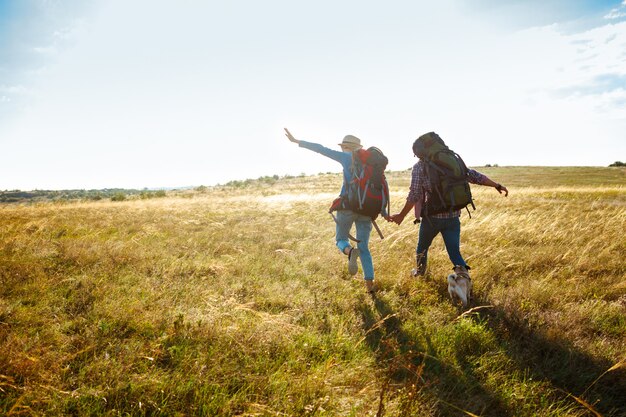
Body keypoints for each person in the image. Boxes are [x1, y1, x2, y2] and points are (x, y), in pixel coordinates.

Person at [389, 134, 508, 280]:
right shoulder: (453, 162)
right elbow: (475, 176)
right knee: (454, 252)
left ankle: (420, 274)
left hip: (431, 218)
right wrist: (497, 185)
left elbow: (414, 194)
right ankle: (464, 279)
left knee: (422, 249)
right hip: (453, 215)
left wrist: (401, 215)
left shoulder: (419, 167)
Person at [284, 127, 378, 293]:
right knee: (365, 248)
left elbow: (321, 149)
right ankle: (370, 288)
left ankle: (349, 252)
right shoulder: (370, 162)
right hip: (367, 210)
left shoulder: (345, 157)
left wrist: (297, 141)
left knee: (340, 239)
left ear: (346, 147)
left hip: (348, 206)